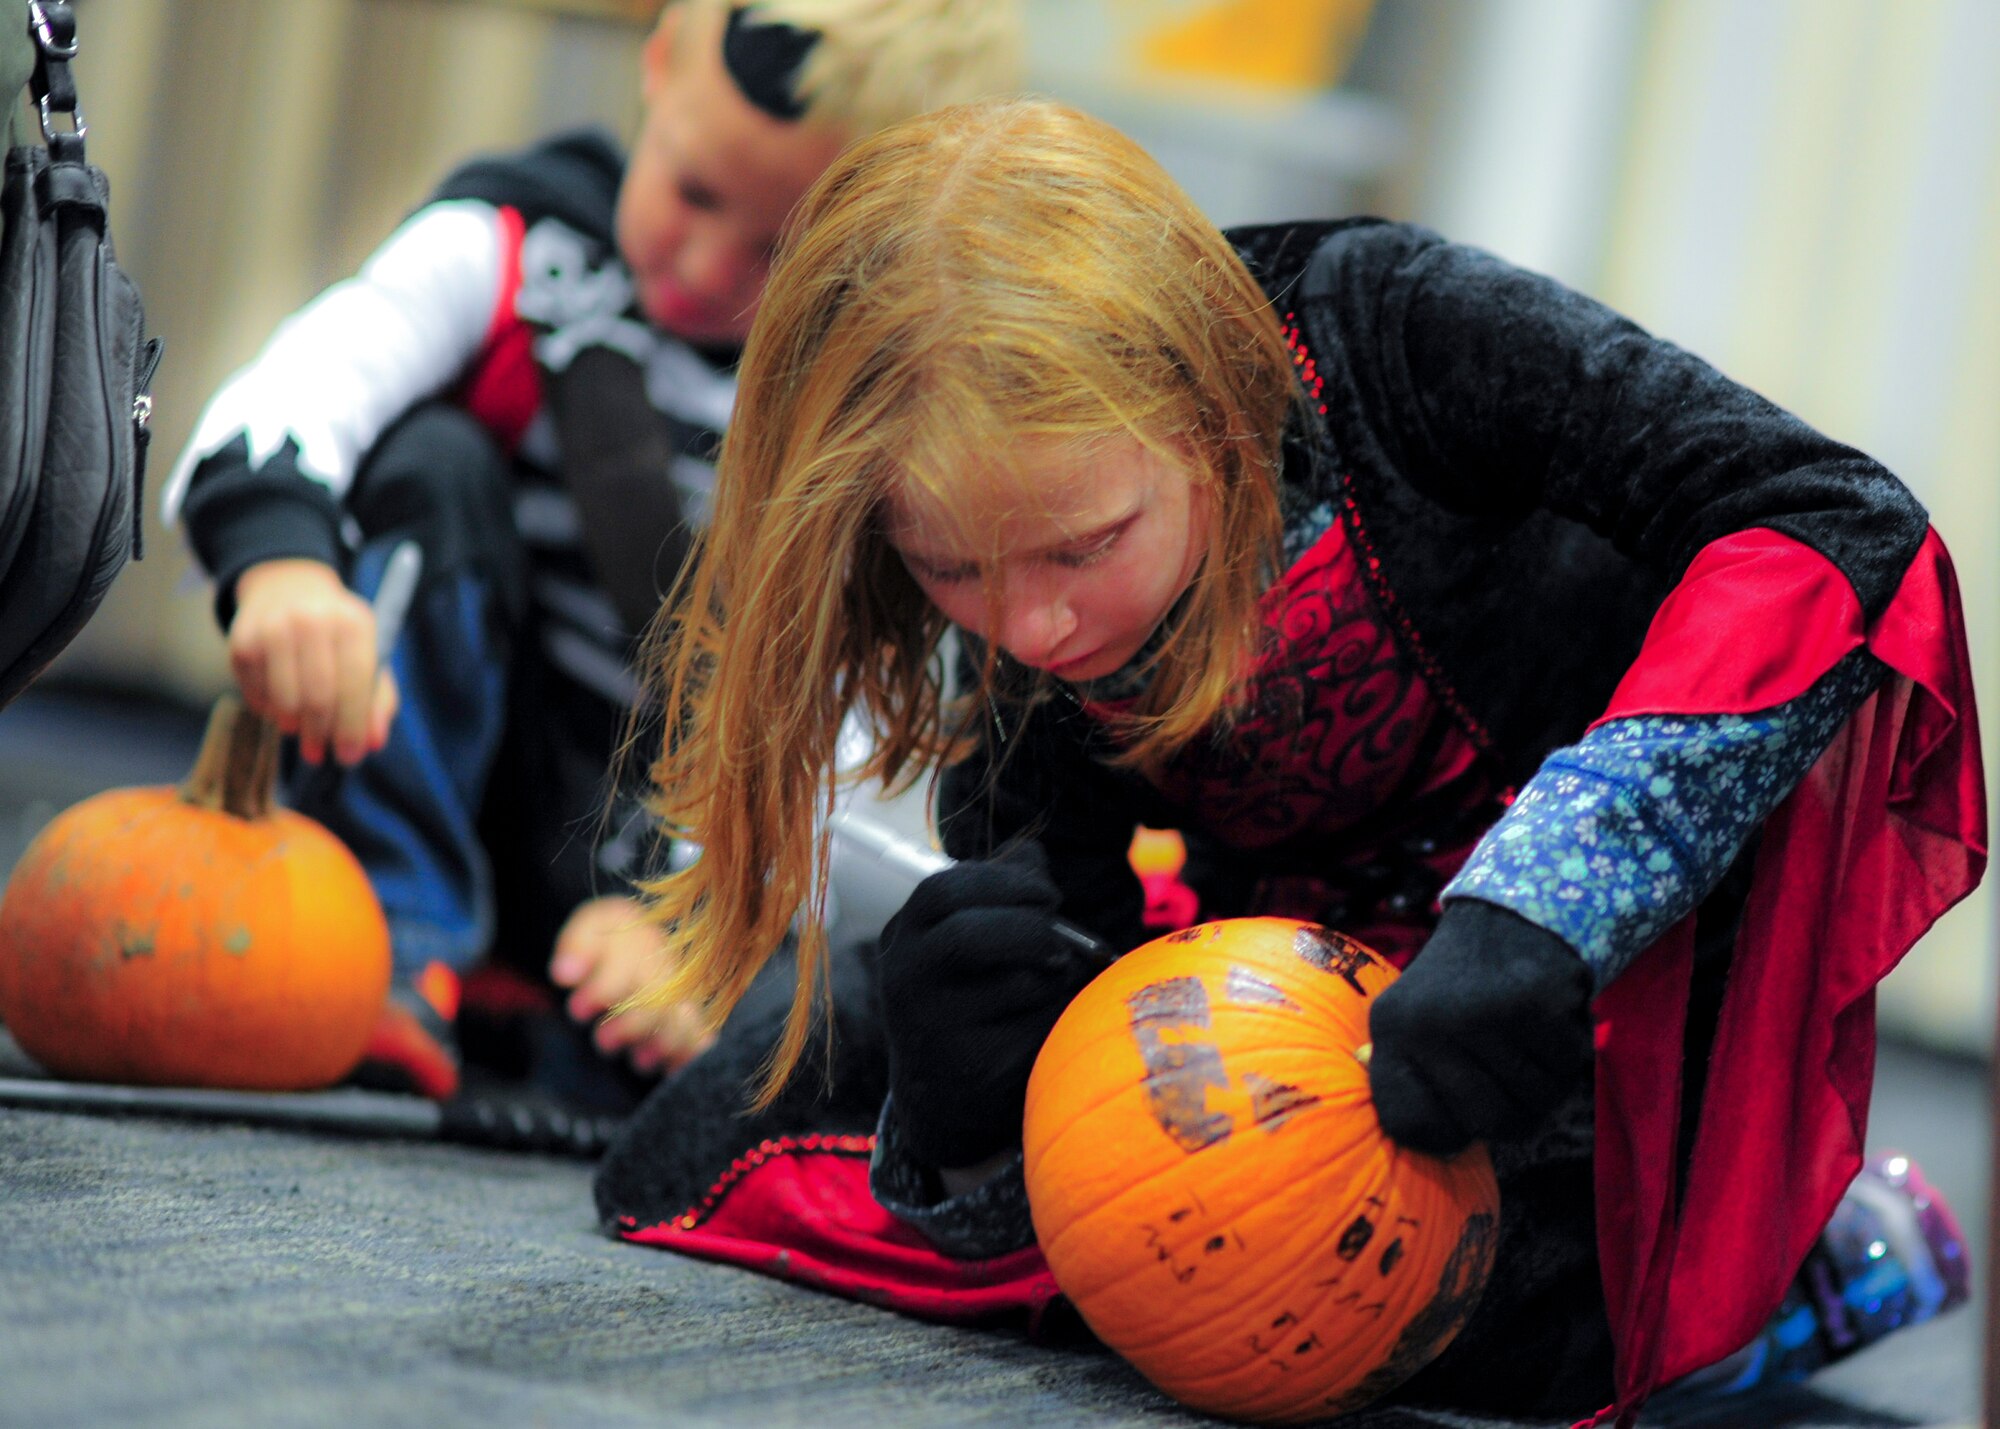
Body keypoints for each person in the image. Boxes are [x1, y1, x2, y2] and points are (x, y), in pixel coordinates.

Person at [594, 98, 1984, 1424]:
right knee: (692, 1157)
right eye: (951, 563)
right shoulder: (1022, 628)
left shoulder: (1396, 331)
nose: (1033, 626)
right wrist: (971, 1116)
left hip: (1581, 977)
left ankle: (1797, 1264)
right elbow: (1072, 938)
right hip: (1270, 1002)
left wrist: (1554, 898)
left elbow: (1827, 516)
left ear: (1207, 412)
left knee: (1522, 1338)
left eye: (1086, 546)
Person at [159, 0, 1022, 1100]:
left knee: (829, 616)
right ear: (657, 69)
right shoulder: (520, 251)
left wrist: (700, 927)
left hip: (661, 852)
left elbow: (849, 716)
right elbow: (304, 387)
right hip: (442, 755)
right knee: (429, 457)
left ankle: (638, 983)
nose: (708, 266)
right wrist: (281, 565)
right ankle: (393, 927)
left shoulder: (850, 405)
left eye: (779, 248)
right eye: (693, 194)